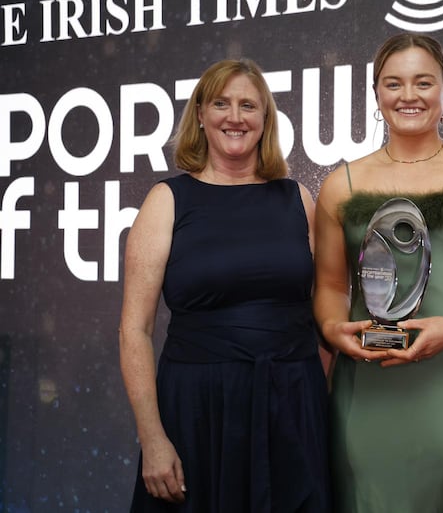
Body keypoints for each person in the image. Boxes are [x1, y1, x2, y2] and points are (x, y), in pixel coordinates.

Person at [313, 33, 443, 513]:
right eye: (394, 83)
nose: (408, 96)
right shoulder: (340, 185)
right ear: (376, 95)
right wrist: (332, 331)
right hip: (366, 387)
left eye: (423, 82)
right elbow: (329, 285)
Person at [119, 58, 330, 512]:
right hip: (198, 411)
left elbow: (323, 315)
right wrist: (153, 438)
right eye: (221, 103)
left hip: (293, 406)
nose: (235, 117)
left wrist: (319, 410)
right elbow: (133, 331)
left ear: (265, 120)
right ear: (200, 114)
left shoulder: (298, 199)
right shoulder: (167, 200)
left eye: (248, 106)